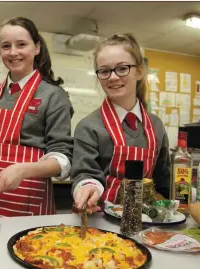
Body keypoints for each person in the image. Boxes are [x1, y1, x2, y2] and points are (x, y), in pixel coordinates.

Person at [0, 17, 74, 217]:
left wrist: (23, 170)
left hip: (27, 205)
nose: (13, 52)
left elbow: (63, 159)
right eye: (6, 46)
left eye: (21, 44)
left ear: (37, 47)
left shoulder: (54, 96)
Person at [71, 33, 171, 213]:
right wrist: (87, 188)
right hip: (100, 224)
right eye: (104, 71)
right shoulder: (88, 127)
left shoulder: (156, 126)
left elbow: (163, 180)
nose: (113, 77)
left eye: (122, 68)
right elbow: (85, 174)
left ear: (139, 71)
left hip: (146, 223)